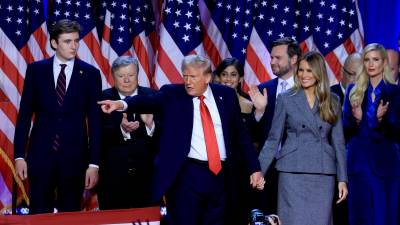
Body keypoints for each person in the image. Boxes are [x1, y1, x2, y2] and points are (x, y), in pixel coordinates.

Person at [98, 55, 264, 225]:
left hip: (221, 176)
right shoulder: (173, 94)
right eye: (185, 76)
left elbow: (241, 135)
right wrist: (121, 105)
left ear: (207, 77)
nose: (188, 82)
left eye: (193, 77)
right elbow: (148, 101)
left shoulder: (226, 95)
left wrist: (255, 169)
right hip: (188, 174)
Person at [13, 19, 102, 214]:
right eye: (68, 41)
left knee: (70, 215)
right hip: (39, 158)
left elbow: (96, 123)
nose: (74, 46)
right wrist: (19, 155)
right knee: (39, 214)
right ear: (54, 43)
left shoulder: (91, 74)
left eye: (76, 41)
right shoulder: (36, 71)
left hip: (75, 160)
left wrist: (94, 163)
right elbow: (25, 115)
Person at [258, 51, 348, 225]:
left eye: (309, 70)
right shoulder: (286, 99)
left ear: (319, 72)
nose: (304, 75)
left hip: (323, 173)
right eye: (301, 70)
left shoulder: (333, 101)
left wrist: (342, 179)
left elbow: (338, 143)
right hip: (292, 171)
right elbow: (273, 139)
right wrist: (259, 171)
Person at [343, 43, 400, 225]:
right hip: (358, 166)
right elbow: (345, 130)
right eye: (367, 60)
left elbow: (395, 131)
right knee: (360, 217)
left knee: (383, 218)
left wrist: (376, 120)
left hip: (385, 168)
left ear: (384, 63)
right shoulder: (353, 91)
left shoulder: (394, 93)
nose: (371, 64)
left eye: (375, 60)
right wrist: (358, 119)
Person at [248, 37, 302, 214]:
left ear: (293, 59)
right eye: (271, 57)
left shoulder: (307, 90)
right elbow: (250, 135)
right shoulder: (263, 90)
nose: (272, 62)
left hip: (298, 169)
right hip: (268, 169)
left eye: (277, 58)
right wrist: (259, 112)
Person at [97, 56, 158, 209]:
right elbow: (96, 135)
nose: (126, 80)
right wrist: (121, 130)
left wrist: (150, 125)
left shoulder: (153, 96)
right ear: (113, 76)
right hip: (112, 179)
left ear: (137, 74)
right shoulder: (103, 99)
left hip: (148, 178)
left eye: (131, 75)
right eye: (121, 76)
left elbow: (168, 136)